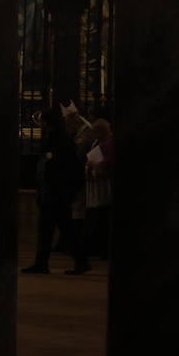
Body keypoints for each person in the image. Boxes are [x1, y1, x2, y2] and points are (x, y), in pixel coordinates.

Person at [23, 108, 90, 275]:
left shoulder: (57, 140)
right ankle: (45, 263)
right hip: (54, 192)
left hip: (55, 193)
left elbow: (55, 168)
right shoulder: (59, 139)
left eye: (42, 121)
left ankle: (75, 261)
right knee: (55, 228)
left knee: (58, 228)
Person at [84, 117, 114, 260]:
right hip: (97, 184)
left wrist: (96, 165)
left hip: (105, 185)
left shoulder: (110, 143)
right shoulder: (99, 142)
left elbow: (110, 162)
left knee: (102, 218)